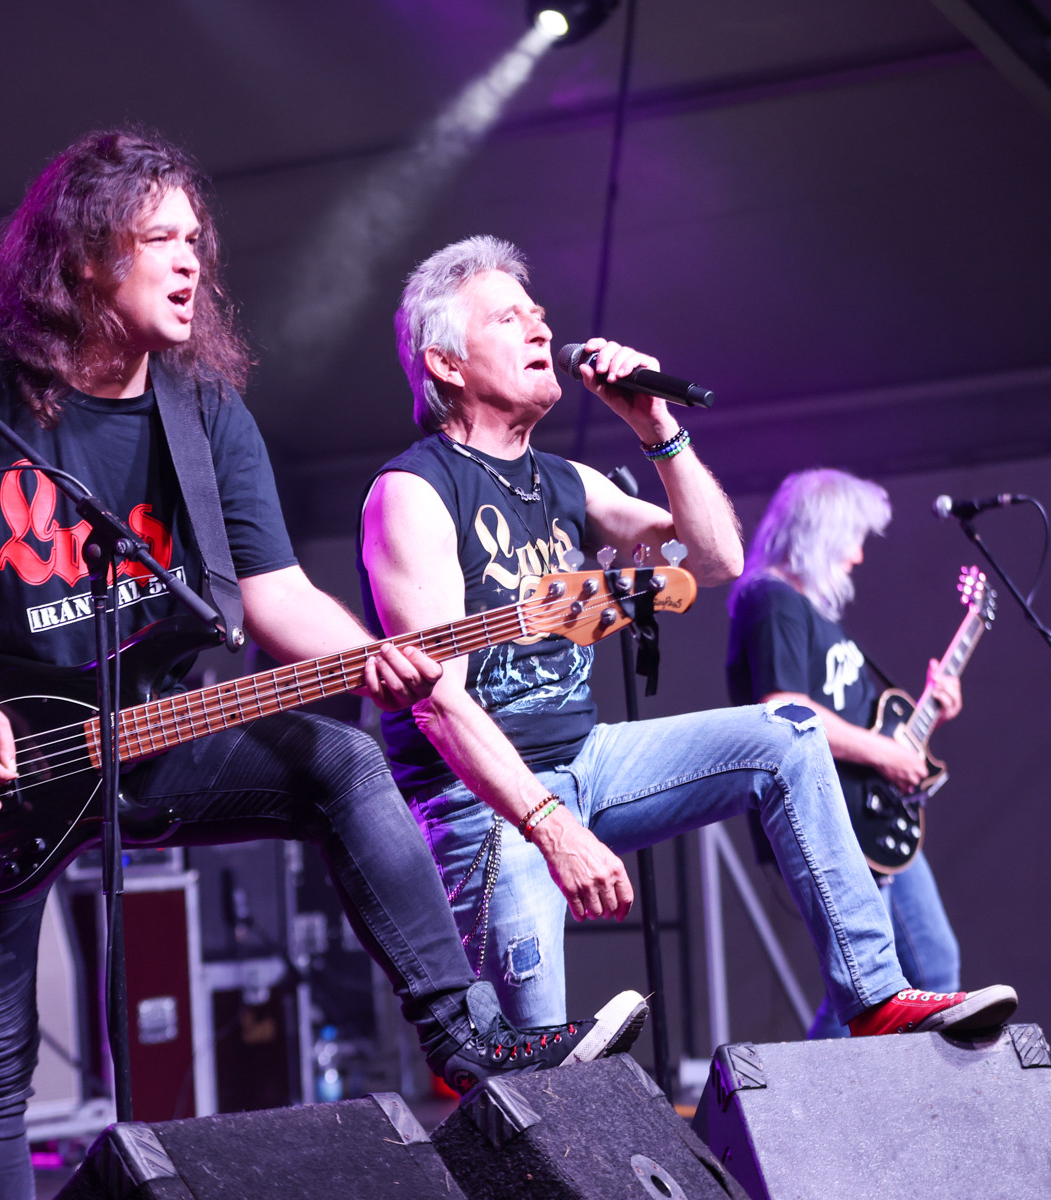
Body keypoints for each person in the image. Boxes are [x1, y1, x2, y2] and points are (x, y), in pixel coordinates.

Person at [0, 134, 643, 1200]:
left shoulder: (202, 409)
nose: (190, 262)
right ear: (85, 254)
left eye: (195, 241)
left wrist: (375, 656)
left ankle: (466, 1039)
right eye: (159, 239)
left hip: (152, 731)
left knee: (343, 761)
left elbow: (271, 593)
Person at [357, 234, 1015, 1042]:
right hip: (481, 799)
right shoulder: (414, 492)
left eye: (539, 313)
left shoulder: (565, 481)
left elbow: (714, 560)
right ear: (446, 364)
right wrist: (554, 827)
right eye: (508, 318)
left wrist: (656, 427)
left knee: (788, 735)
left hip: (589, 760)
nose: (541, 329)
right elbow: (438, 705)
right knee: (534, 1072)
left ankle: (874, 996)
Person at [726, 468, 963, 1037]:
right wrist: (884, 754)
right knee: (870, 993)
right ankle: (811, 1100)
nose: (857, 556)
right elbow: (784, 708)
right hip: (832, 822)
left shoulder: (812, 614)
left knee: (928, 968)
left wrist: (929, 713)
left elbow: (868, 725)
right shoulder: (772, 599)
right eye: (851, 538)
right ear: (820, 532)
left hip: (873, 823)